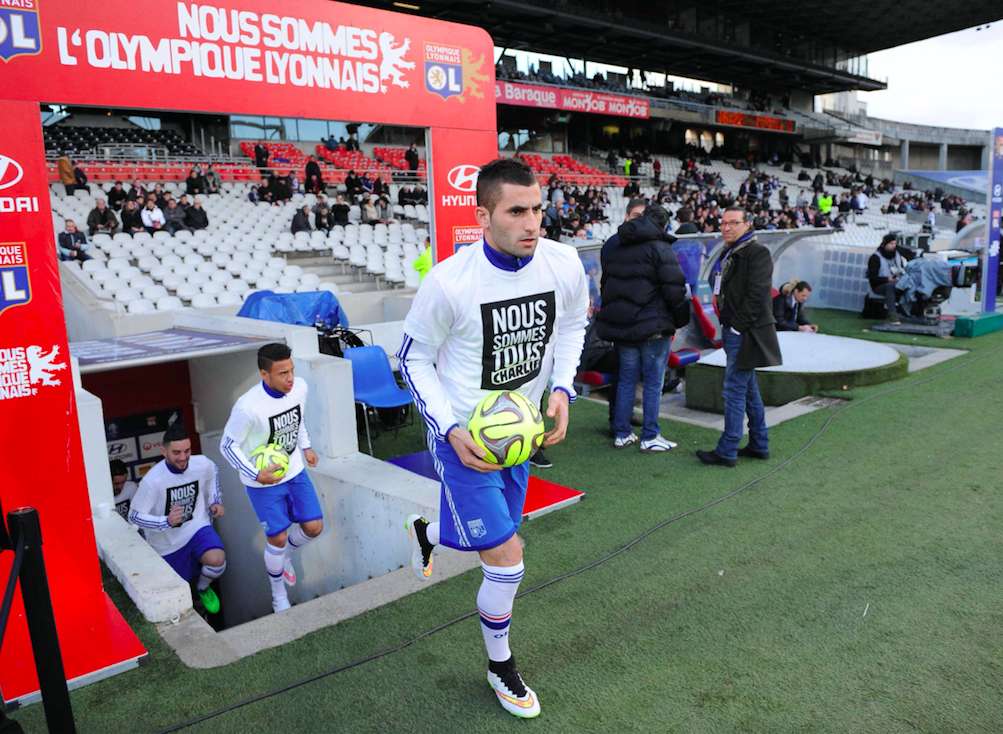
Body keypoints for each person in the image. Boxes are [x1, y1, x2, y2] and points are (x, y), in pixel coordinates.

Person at [397, 157, 588, 719]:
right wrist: (450, 430)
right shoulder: (449, 282)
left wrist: (562, 387)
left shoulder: (563, 263)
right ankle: (500, 665)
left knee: (489, 533)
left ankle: (428, 531)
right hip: (464, 441)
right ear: (483, 216)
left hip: (519, 435)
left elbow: (572, 325)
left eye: (538, 210)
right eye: (516, 212)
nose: (532, 223)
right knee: (507, 558)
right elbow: (412, 360)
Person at [219, 343, 323, 614]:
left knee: (314, 527)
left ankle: (285, 555)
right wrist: (256, 474)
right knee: (277, 539)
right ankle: (278, 596)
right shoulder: (247, 407)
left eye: (291, 370)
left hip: (295, 471)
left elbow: (298, 419)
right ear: (264, 374)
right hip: (262, 483)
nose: (290, 378)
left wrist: (306, 446)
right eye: (282, 373)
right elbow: (227, 446)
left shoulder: (300, 388)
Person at [597, 204, 688, 452]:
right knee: (653, 382)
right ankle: (650, 435)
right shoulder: (660, 247)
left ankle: (622, 433)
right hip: (653, 327)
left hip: (624, 327)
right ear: (664, 225)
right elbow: (675, 290)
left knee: (626, 380)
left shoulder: (617, 244)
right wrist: (679, 319)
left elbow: (606, 284)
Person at [697, 208, 781, 467]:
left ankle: (727, 449)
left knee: (734, 390)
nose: (726, 228)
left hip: (745, 332)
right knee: (749, 390)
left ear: (747, 224)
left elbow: (757, 295)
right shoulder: (731, 251)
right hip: (737, 329)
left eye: (733, 223)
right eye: (723, 223)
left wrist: (736, 327)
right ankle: (759, 443)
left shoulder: (757, 252)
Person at [128, 423, 226, 614]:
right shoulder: (152, 480)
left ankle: (202, 588)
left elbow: (213, 471)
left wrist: (215, 500)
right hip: (166, 545)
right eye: (176, 452)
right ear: (164, 451)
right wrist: (165, 521)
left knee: (217, 560)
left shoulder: (201, 463)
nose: (183, 457)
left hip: (196, 527)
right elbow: (134, 516)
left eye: (187, 451)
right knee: (177, 595)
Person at [867, 233, 910, 324]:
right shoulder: (875, 258)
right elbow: (872, 278)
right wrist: (887, 279)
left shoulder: (897, 254)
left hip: (898, 282)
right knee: (890, 287)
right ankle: (893, 316)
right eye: (891, 244)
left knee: (910, 282)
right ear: (884, 244)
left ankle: (913, 312)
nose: (894, 246)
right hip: (879, 286)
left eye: (895, 244)